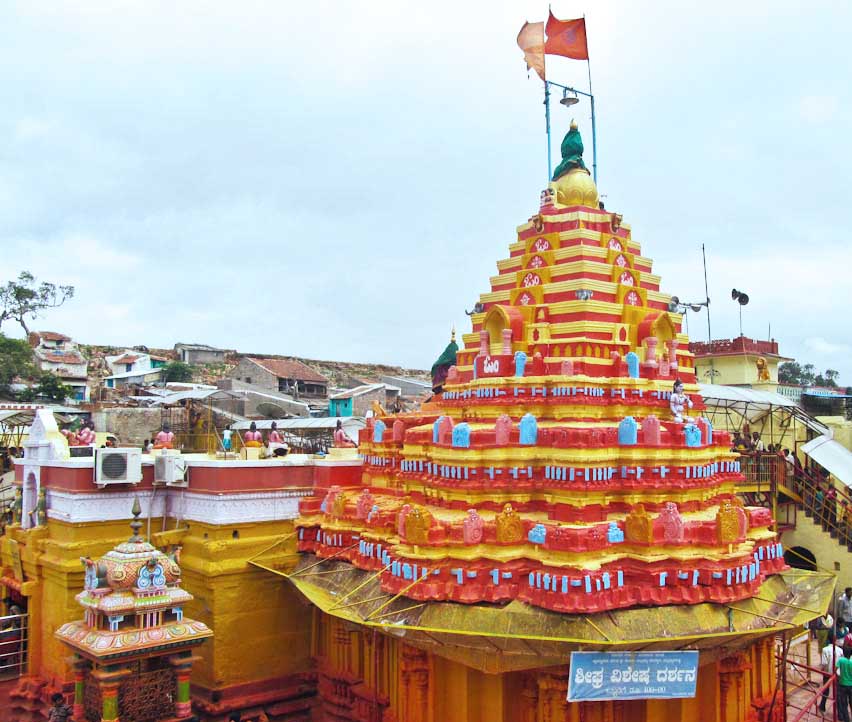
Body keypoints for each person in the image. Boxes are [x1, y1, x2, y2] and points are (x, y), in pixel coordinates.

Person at [822, 633, 845, 713]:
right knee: (838, 692)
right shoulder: (840, 650)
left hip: (827, 673)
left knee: (825, 690)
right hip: (837, 673)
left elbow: (824, 663)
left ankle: (822, 706)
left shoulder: (825, 649)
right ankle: (840, 711)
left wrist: (823, 671)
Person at [837, 645, 852, 722]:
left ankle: (847, 719)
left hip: (842, 684)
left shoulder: (841, 660)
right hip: (851, 685)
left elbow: (836, 669)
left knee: (844, 703)